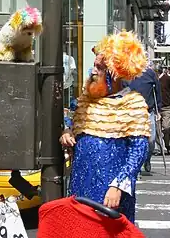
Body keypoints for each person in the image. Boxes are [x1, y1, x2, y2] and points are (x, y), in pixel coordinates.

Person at [60, 30, 150, 223]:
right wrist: (67, 131)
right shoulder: (85, 100)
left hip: (112, 195)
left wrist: (118, 185)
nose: (93, 72)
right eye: (94, 66)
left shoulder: (132, 103)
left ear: (113, 75)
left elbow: (139, 151)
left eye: (99, 69)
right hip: (80, 188)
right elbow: (71, 119)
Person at [123, 67, 162, 172]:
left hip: (148, 111)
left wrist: (159, 109)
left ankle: (147, 159)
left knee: (151, 140)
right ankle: (136, 163)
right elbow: (122, 91)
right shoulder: (126, 73)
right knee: (134, 139)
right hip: (132, 112)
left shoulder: (150, 73)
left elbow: (157, 90)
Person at [155, 64, 170, 155]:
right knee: (157, 129)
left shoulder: (167, 79)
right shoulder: (153, 80)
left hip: (167, 107)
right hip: (157, 108)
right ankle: (160, 148)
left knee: (166, 127)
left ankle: (167, 145)